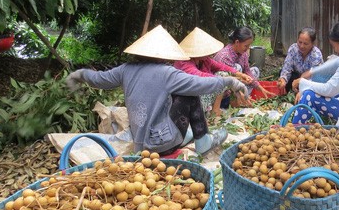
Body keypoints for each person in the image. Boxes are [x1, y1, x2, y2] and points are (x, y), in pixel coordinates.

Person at [65, 25, 247, 156]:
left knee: (176, 95)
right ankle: (203, 142)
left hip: (141, 146)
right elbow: (199, 84)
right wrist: (230, 81)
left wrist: (79, 74)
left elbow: (99, 79)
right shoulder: (167, 73)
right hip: (161, 145)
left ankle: (188, 136)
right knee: (189, 95)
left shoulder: (125, 69)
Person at [175, 27, 252, 116]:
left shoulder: (204, 59)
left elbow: (220, 66)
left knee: (223, 75)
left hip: (199, 93)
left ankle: (214, 109)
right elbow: (200, 76)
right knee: (222, 77)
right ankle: (212, 111)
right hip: (186, 99)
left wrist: (239, 74)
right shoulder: (184, 62)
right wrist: (230, 80)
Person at [214, 26, 273, 104]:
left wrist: (260, 88)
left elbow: (247, 70)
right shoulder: (224, 56)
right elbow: (227, 80)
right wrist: (241, 82)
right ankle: (236, 100)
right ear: (237, 42)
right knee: (237, 68)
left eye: (249, 46)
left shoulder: (243, 53)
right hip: (223, 92)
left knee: (255, 70)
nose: (247, 48)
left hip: (237, 82)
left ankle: (244, 97)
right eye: (246, 46)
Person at [277, 27, 323, 92]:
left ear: (313, 43)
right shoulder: (293, 49)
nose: (302, 46)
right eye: (300, 42)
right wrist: (283, 79)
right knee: (283, 74)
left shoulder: (316, 55)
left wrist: (301, 83)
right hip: (297, 78)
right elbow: (287, 68)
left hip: (310, 81)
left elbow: (314, 75)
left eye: (305, 44)